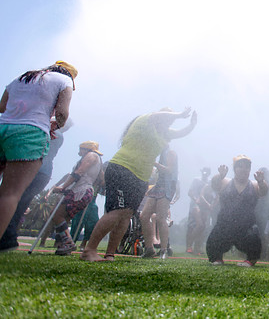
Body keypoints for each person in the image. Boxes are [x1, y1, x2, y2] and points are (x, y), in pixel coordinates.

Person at [80, 108, 197, 262]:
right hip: (122, 169)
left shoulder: (164, 133)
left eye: (171, 121)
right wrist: (179, 115)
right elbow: (157, 115)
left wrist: (192, 124)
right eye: (167, 119)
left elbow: (182, 132)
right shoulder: (144, 121)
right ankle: (89, 250)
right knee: (117, 211)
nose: (169, 122)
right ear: (161, 117)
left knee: (126, 215)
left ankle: (110, 254)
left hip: (141, 178)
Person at [0, 61, 76, 240]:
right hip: (30, 134)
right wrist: (55, 125)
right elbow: (62, 114)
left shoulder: (23, 77)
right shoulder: (64, 80)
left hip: (3, 126)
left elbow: (2, 107)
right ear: (70, 76)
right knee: (10, 192)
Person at [0, 118, 71, 252]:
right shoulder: (59, 137)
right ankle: (8, 237)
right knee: (21, 203)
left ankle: (7, 237)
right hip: (43, 173)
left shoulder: (47, 132)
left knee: (11, 198)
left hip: (32, 167)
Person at [206, 156, 268, 266]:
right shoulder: (225, 182)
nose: (244, 170)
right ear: (234, 169)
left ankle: (250, 260)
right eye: (240, 167)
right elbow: (214, 184)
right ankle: (217, 258)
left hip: (246, 226)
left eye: (247, 167)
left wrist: (261, 181)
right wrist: (220, 175)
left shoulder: (254, 184)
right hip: (225, 225)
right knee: (216, 235)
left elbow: (263, 192)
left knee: (254, 234)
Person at [50, 141, 103, 255]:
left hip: (80, 191)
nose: (79, 152)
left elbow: (79, 172)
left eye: (81, 149)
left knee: (56, 214)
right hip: (84, 190)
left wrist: (63, 187)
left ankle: (68, 242)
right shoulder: (98, 160)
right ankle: (64, 245)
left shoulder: (91, 155)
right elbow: (101, 180)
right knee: (64, 217)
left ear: (86, 149)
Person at [140, 144, 180, 259]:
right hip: (158, 186)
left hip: (167, 187)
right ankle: (149, 248)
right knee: (144, 216)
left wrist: (154, 163)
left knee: (161, 218)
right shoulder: (161, 154)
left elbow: (169, 170)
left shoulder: (171, 153)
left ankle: (163, 250)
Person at [186, 167, 211, 254]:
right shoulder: (196, 180)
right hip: (195, 204)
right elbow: (190, 192)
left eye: (207, 172)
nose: (205, 174)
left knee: (204, 227)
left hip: (205, 206)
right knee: (197, 224)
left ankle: (197, 247)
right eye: (204, 172)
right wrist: (196, 199)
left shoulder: (209, 182)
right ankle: (189, 245)